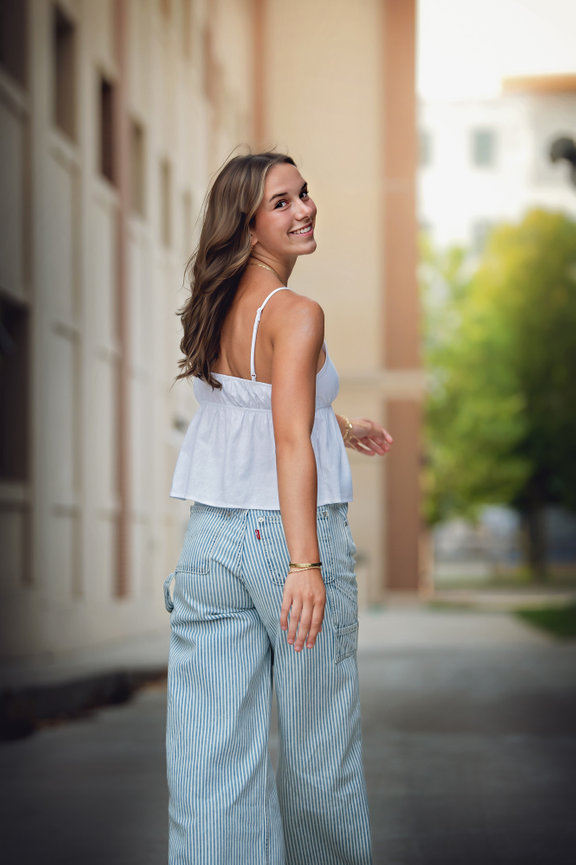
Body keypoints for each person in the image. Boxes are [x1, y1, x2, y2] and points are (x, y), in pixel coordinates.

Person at [164, 152, 393, 865]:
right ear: (249, 225)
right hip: (286, 541)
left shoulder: (217, 304)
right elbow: (288, 438)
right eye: (281, 204)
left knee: (209, 760)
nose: (304, 210)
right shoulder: (297, 313)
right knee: (318, 754)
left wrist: (339, 422)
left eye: (304, 194)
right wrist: (305, 562)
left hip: (211, 542)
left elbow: (259, 405)